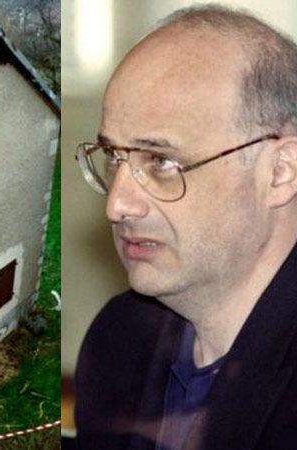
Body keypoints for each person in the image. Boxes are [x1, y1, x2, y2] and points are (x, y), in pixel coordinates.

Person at [74, 5, 297, 450]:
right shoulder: (119, 338)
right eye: (114, 157)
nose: (117, 205)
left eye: (161, 161)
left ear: (280, 172)